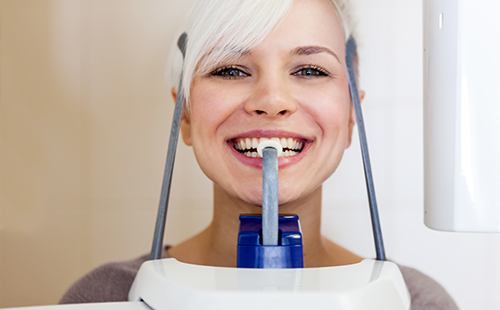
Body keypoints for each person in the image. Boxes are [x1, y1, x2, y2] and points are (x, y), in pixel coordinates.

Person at [61, 0, 458, 309]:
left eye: (310, 70)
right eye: (231, 70)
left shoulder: (416, 303)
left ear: (353, 115)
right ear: (183, 113)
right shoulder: (104, 298)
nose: (271, 101)